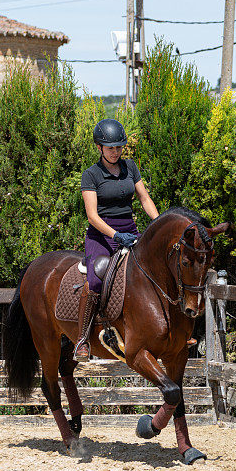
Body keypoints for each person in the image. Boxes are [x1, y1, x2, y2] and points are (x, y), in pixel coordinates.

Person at [75, 119, 159, 361]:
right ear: (99, 148)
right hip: (102, 235)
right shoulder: (91, 175)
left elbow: (144, 199)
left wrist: (157, 223)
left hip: (130, 231)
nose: (116, 152)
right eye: (111, 148)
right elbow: (92, 216)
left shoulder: (130, 167)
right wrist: (115, 235)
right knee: (95, 279)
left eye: (119, 147)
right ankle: (82, 339)